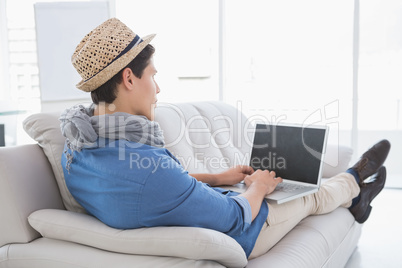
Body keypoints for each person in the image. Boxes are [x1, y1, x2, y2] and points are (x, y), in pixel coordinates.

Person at [60, 18, 391, 259]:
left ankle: (355, 195)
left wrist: (218, 177)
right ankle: (355, 183)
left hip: (196, 209)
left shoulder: (78, 149)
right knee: (306, 197)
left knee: (284, 185)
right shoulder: (147, 169)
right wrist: (258, 187)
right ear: (129, 78)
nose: (158, 90)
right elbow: (233, 217)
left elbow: (156, 187)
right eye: (153, 77)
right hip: (243, 231)